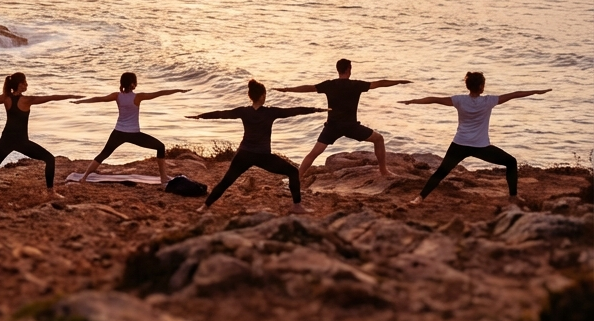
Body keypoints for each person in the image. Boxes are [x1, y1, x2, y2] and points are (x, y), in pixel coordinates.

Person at [403, 72, 549, 205]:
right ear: (480, 86)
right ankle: (513, 197)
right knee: (511, 162)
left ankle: (419, 198)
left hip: (459, 144)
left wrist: (413, 101)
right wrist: (536, 92)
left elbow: (434, 99)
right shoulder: (489, 101)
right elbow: (515, 94)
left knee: (441, 172)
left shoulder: (459, 100)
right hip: (481, 147)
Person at [189, 79, 325, 214]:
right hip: (263, 156)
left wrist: (201, 116)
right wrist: (315, 109)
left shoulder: (244, 111)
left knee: (226, 181)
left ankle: (205, 207)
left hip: (244, 154)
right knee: (293, 172)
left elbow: (222, 114)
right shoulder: (270, 112)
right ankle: (297, 206)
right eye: (265, 94)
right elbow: (292, 111)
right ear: (262, 96)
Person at [275, 58, 412, 177]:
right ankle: (383, 171)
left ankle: (297, 178)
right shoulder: (356, 85)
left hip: (332, 126)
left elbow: (308, 88)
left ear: (338, 70)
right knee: (378, 139)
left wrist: (287, 89)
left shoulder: (329, 85)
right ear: (349, 69)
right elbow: (379, 83)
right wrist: (398, 81)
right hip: (351, 126)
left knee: (313, 153)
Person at [0, 72, 81, 199]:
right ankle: (50, 192)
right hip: (21, 142)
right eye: (25, 82)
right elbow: (51, 97)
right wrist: (71, 96)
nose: (27, 84)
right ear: (20, 85)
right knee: (50, 159)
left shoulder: (6, 98)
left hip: (6, 140)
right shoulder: (27, 100)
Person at [72, 72, 188, 184]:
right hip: (133, 134)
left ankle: (84, 177)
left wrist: (81, 101)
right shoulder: (138, 97)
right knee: (160, 147)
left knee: (104, 154)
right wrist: (178, 90)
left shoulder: (117, 96)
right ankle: (163, 177)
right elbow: (159, 93)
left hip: (118, 132)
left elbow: (99, 98)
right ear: (133, 84)